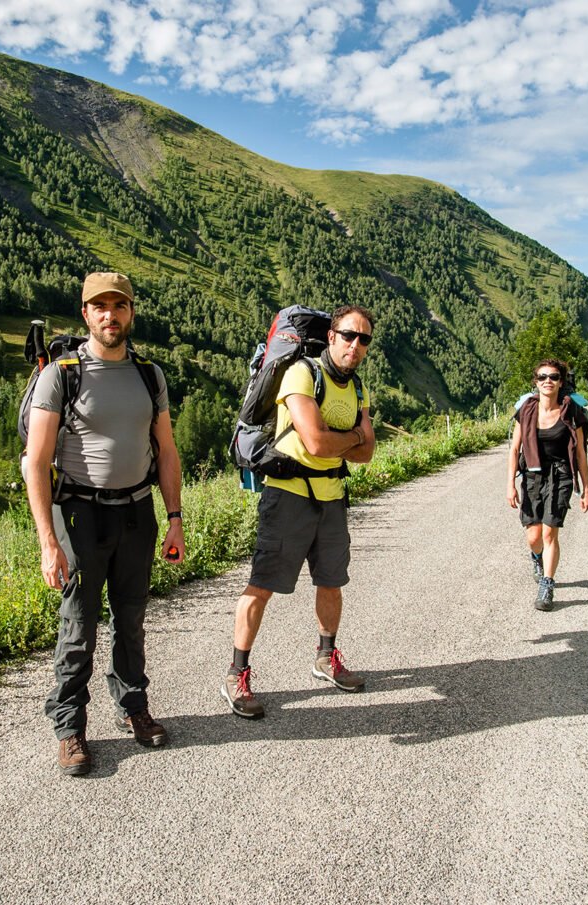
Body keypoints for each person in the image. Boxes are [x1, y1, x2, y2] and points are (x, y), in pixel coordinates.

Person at [24, 271, 185, 776]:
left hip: (137, 511)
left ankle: (133, 705)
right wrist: (48, 542)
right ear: (86, 313)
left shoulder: (147, 374)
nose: (110, 315)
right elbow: (36, 460)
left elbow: (167, 451)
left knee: (131, 618)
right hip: (78, 513)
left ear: (131, 312)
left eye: (119, 306)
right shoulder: (62, 374)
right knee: (79, 626)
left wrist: (175, 517)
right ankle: (70, 727)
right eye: (100, 307)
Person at [221, 305, 376, 719]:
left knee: (331, 582)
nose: (355, 345)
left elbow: (367, 453)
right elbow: (315, 443)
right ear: (331, 336)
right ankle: (237, 674)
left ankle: (326, 659)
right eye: (348, 335)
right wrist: (354, 434)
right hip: (287, 494)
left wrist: (343, 439)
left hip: (331, 496)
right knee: (262, 585)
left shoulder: (357, 388)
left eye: (364, 339)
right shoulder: (301, 374)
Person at [506, 358, 588, 610]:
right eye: (542, 377)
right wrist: (510, 484)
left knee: (549, 532)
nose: (547, 381)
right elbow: (514, 450)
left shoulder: (570, 411)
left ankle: (547, 584)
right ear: (536, 381)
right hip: (532, 476)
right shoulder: (526, 410)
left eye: (553, 377)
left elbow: (580, 454)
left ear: (561, 381)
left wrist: (586, 488)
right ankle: (536, 557)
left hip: (561, 476)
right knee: (534, 537)